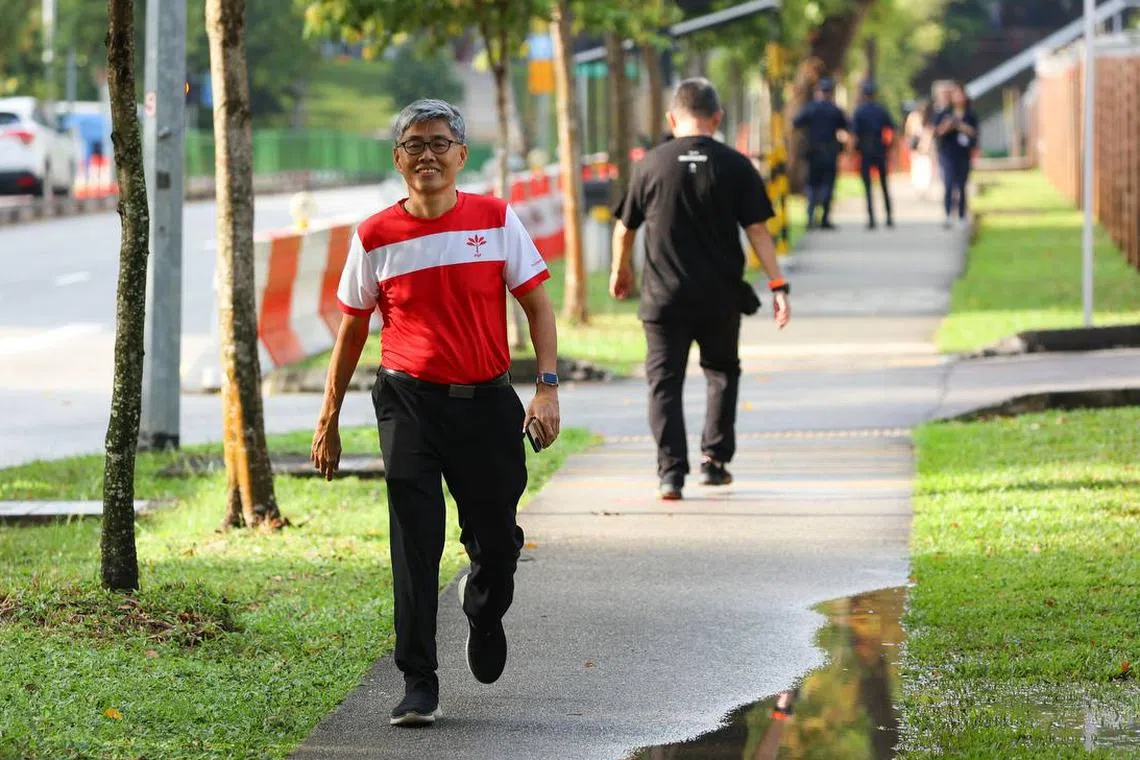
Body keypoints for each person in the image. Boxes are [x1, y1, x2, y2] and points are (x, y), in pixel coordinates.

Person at [310, 99, 561, 727]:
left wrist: (547, 388)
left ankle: (483, 607)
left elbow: (538, 307)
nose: (427, 154)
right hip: (408, 404)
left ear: (461, 155)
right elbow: (350, 331)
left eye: (439, 142)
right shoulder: (374, 236)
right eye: (414, 144)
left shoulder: (495, 219)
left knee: (497, 541)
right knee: (414, 544)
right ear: (397, 159)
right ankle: (418, 680)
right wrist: (329, 416)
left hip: (486, 402)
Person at [609, 77, 791, 501]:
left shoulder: (650, 164)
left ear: (673, 118)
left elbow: (624, 230)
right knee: (722, 372)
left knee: (663, 381)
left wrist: (621, 273)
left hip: (662, 298)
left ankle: (670, 474)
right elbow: (759, 231)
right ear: (718, 118)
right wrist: (778, 284)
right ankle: (715, 463)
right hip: (720, 296)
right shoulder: (736, 165)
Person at [793, 77, 849, 230]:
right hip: (830, 153)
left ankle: (810, 218)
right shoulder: (835, 110)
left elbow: (796, 122)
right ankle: (824, 219)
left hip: (814, 152)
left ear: (818, 92)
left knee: (812, 185)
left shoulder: (811, 108)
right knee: (828, 185)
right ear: (830, 92)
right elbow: (846, 126)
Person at [851, 79, 896, 229]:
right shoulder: (881, 110)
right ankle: (889, 216)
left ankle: (871, 219)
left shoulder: (860, 111)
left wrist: (853, 151)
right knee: (884, 184)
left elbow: (854, 133)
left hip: (865, 150)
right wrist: (889, 147)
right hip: (879, 149)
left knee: (868, 186)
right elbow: (891, 129)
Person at [934, 81, 979, 228]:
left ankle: (962, 215)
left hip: (963, 153)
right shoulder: (944, 113)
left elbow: (974, 133)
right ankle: (948, 215)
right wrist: (948, 125)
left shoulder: (970, 114)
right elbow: (937, 132)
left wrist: (960, 126)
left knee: (962, 185)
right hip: (948, 153)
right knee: (948, 184)